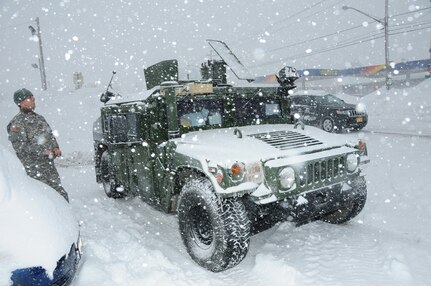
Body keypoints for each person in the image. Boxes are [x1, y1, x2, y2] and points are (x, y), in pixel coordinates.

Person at [6, 88, 69, 202]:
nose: (33, 99)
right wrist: (43, 151)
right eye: (29, 97)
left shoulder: (39, 118)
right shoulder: (17, 124)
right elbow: (20, 148)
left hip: (48, 167)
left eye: (32, 97)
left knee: (60, 196)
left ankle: (65, 219)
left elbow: (50, 136)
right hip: (34, 171)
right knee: (43, 200)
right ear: (21, 103)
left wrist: (55, 147)